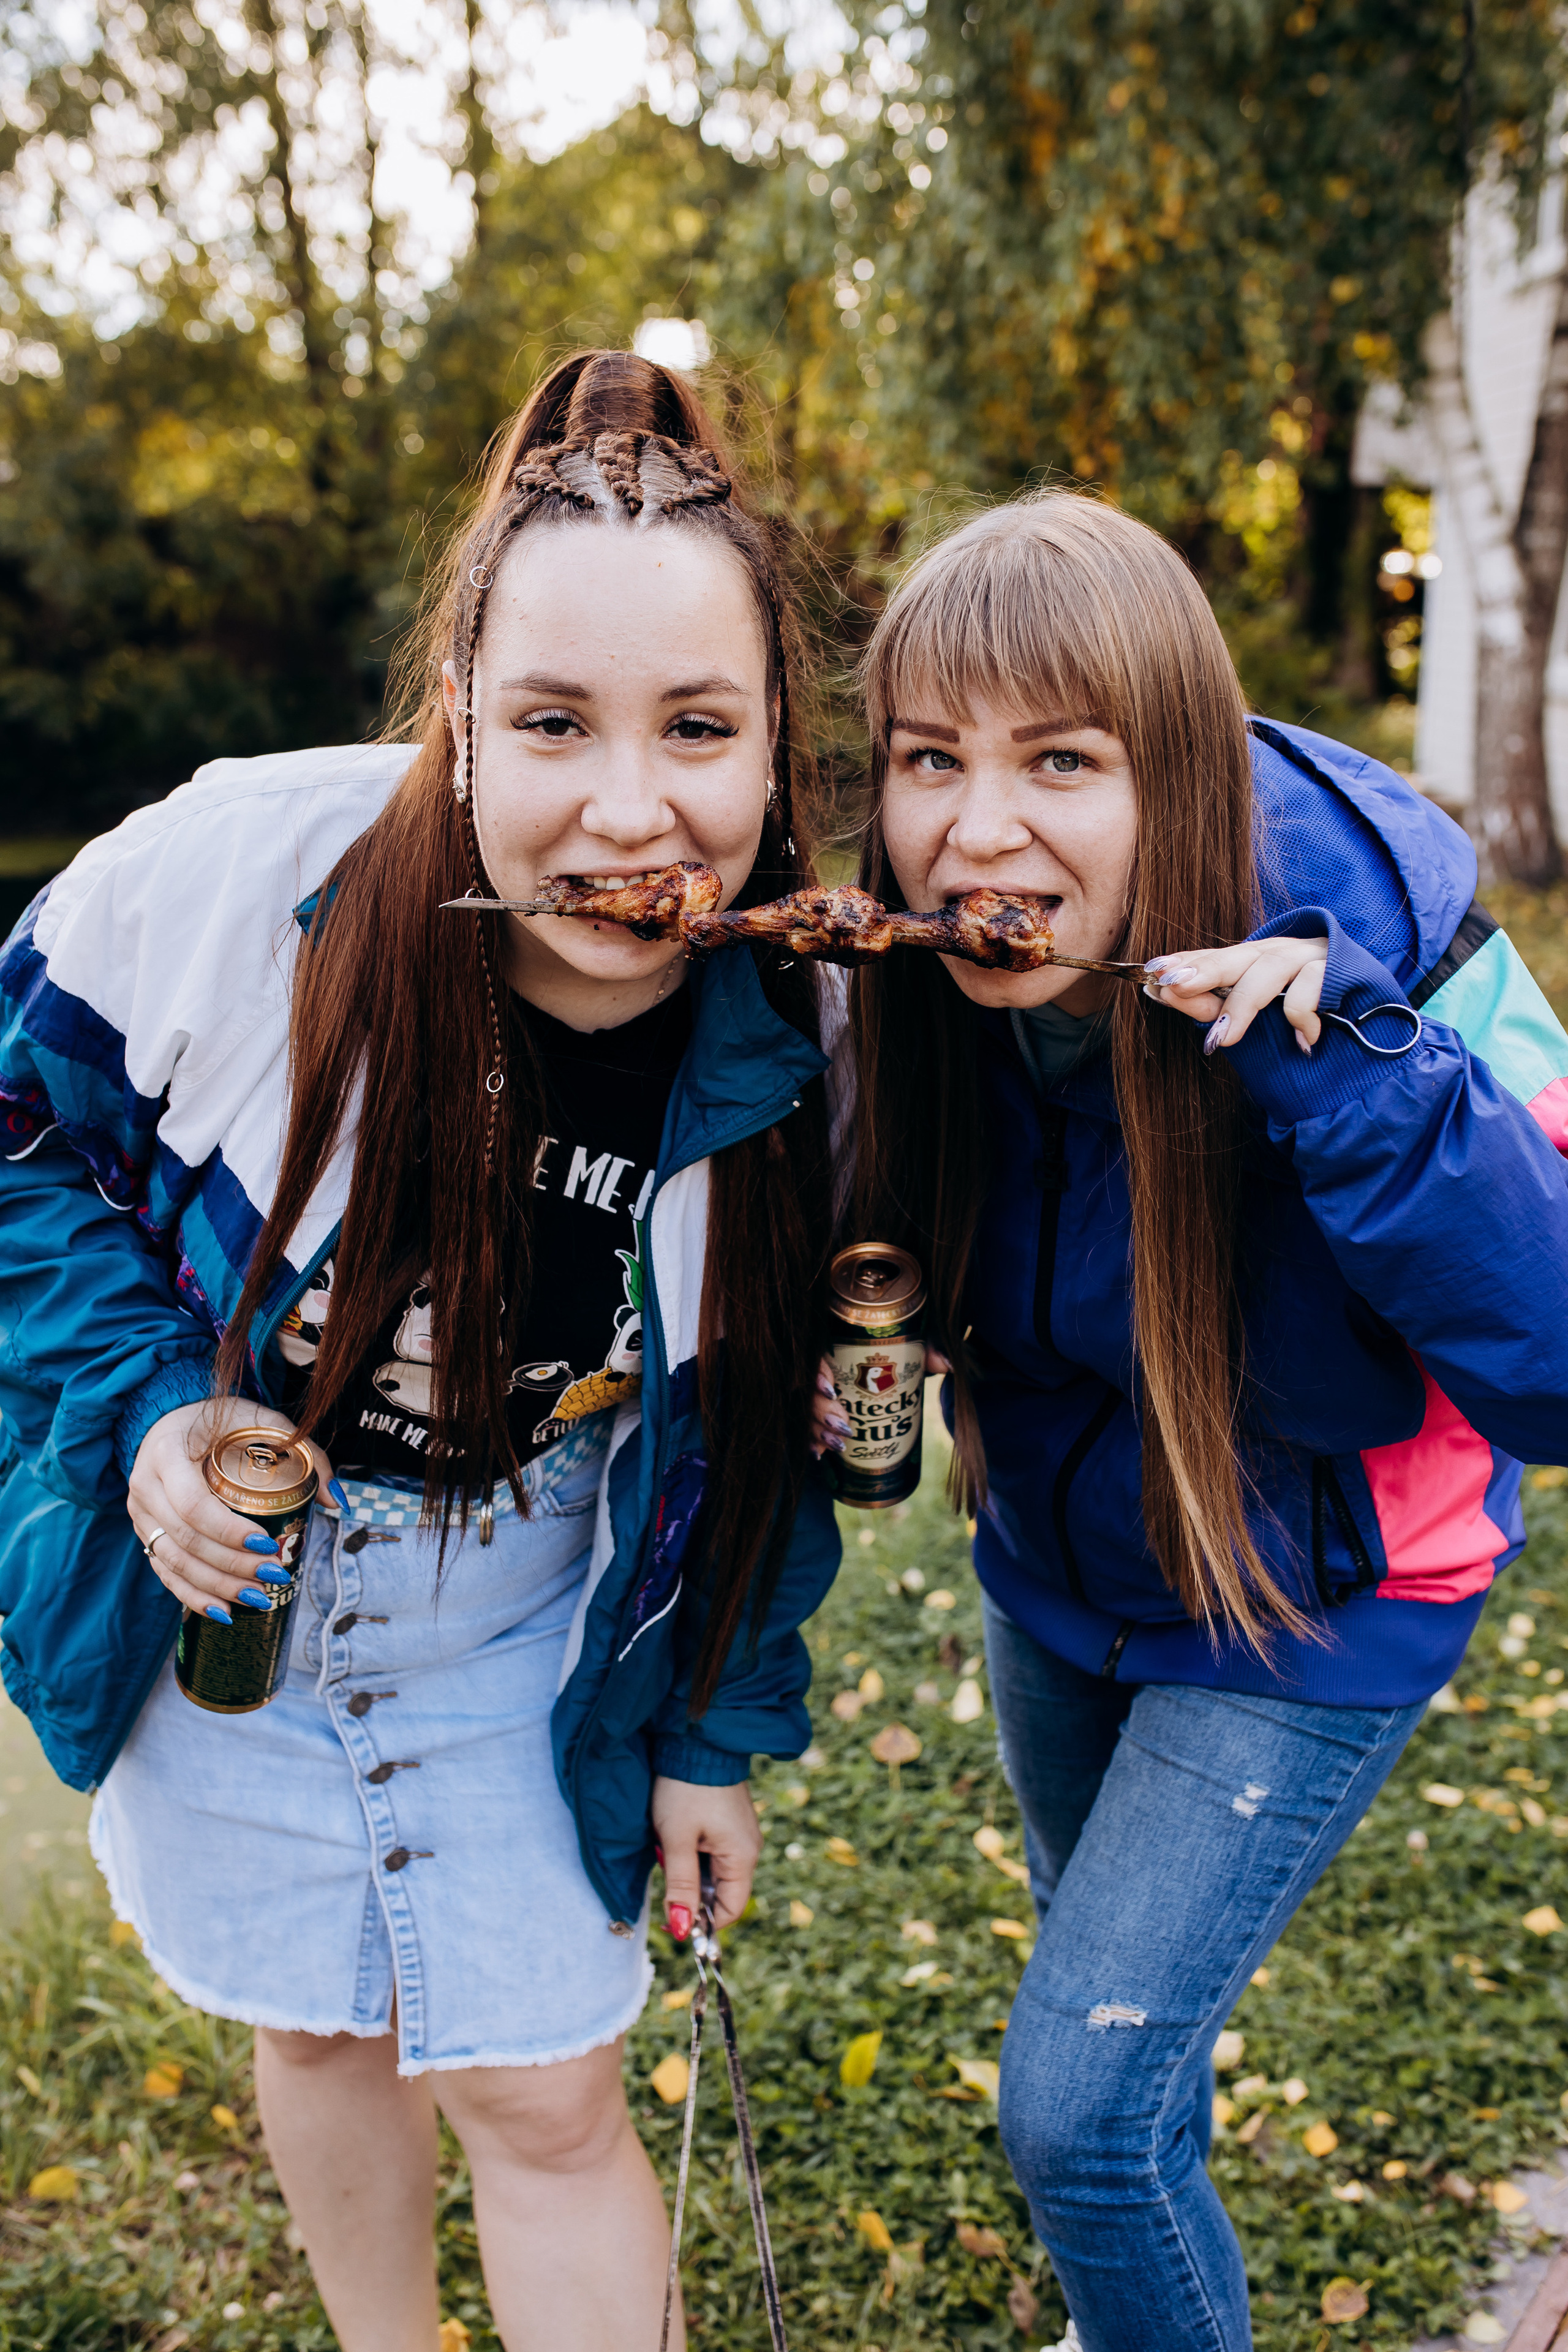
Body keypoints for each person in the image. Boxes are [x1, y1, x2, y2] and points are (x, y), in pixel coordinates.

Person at [0, 350, 841, 2352]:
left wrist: (711, 1731)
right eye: (552, 723)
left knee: (545, 2095)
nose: (629, 808)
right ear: (459, 712)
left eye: (698, 728)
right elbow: (18, 1135)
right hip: (238, 1592)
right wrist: (157, 1412)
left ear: (774, 740)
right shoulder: (229, 876)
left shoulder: (823, 1033)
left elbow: (764, 1438)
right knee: (315, 2027)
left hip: (528, 1609)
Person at [823, 491, 1568, 2352]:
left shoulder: (1402, 959)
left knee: (1077, 2120)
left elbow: (1557, 1364)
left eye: (1061, 762)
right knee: (1119, 2041)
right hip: (1058, 1569)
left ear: (1178, 773)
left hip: (1317, 1594)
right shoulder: (917, 985)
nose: (976, 830)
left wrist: (1364, 1075)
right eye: (930, 758)